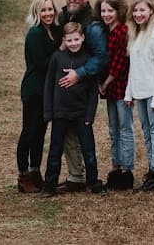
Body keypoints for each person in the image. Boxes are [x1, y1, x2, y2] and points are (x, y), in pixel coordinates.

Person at [54, 0, 108, 192]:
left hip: (84, 86)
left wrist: (79, 73)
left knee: (83, 132)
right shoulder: (64, 16)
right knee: (67, 132)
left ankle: (89, 178)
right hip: (66, 85)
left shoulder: (93, 26)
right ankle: (75, 176)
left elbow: (101, 58)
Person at [40, 22, 105, 197]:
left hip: (81, 113)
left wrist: (90, 115)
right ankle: (49, 185)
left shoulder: (87, 61)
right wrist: (48, 112)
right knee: (55, 150)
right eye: (70, 40)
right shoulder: (57, 57)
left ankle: (93, 183)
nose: (74, 43)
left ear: (83, 38)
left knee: (88, 150)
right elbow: (49, 85)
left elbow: (93, 92)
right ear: (64, 40)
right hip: (60, 113)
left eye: (77, 39)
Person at [16, 0, 62, 193]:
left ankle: (36, 172)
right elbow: (42, 64)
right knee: (29, 132)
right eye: (43, 10)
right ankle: (23, 175)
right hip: (34, 90)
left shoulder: (54, 30)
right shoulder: (35, 34)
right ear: (36, 12)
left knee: (41, 133)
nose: (48, 13)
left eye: (50, 9)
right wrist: (60, 49)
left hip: (47, 91)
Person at [124, 0, 154, 192]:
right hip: (139, 92)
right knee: (147, 133)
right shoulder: (135, 35)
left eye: (142, 10)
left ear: (151, 12)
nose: (138, 14)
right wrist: (129, 93)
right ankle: (152, 168)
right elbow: (133, 68)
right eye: (135, 10)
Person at [96, 0, 135, 191]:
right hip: (110, 89)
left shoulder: (122, 31)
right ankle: (115, 167)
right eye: (103, 10)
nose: (106, 14)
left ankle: (127, 171)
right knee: (113, 129)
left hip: (121, 87)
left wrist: (105, 82)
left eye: (110, 11)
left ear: (119, 11)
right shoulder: (106, 31)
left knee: (125, 129)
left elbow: (120, 63)